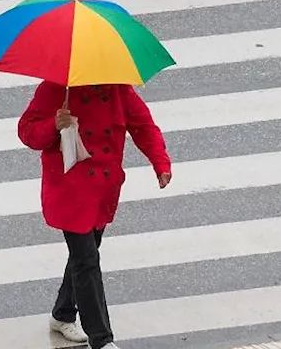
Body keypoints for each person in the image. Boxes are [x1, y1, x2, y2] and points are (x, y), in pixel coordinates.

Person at [18, 80, 173, 349]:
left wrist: (160, 162)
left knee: (84, 255)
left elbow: (143, 126)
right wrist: (54, 124)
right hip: (70, 190)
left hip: (103, 188)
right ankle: (101, 339)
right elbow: (27, 132)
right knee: (87, 260)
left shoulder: (119, 91)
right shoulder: (55, 89)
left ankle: (63, 313)